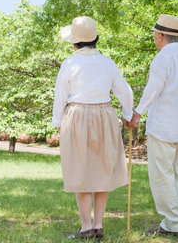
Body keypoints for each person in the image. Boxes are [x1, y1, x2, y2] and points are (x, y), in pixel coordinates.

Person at [51, 16, 133, 241]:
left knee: (80, 169)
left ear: (74, 42)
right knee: (102, 168)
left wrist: (57, 123)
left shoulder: (70, 64)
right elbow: (125, 91)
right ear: (95, 39)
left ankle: (87, 226)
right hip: (104, 115)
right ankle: (98, 225)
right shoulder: (108, 63)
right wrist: (128, 115)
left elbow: (60, 96)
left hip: (77, 115)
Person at [127, 14, 178, 238]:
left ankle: (172, 223)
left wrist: (137, 114)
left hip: (163, 127)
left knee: (162, 175)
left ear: (160, 36)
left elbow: (154, 89)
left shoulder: (163, 58)